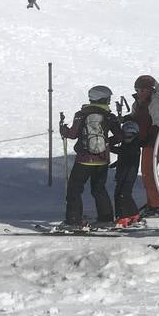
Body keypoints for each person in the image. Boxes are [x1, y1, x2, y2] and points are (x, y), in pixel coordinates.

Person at [58, 85, 120, 228]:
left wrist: (63, 130)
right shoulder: (109, 116)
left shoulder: (81, 114)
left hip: (84, 160)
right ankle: (106, 219)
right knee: (99, 189)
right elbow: (120, 136)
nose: (109, 101)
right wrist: (106, 143)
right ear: (103, 99)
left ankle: (74, 221)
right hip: (103, 160)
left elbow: (72, 134)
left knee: (74, 189)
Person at [132, 74, 159, 215]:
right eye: (138, 90)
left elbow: (158, 121)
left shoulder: (156, 101)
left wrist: (151, 136)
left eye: (142, 90)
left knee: (148, 173)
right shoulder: (140, 102)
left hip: (154, 143)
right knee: (147, 173)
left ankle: (156, 205)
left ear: (150, 90)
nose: (139, 93)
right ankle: (152, 202)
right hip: (147, 142)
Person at [111, 116, 142, 225]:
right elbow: (124, 156)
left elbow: (124, 152)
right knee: (121, 193)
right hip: (123, 171)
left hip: (129, 173)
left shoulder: (134, 145)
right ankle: (133, 214)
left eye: (130, 136)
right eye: (125, 135)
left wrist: (109, 146)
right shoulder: (127, 143)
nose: (127, 138)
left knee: (123, 194)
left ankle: (124, 216)